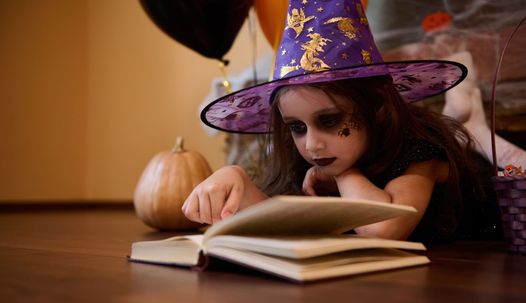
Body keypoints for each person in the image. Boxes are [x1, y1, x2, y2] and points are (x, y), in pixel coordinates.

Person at [183, 0, 502, 243]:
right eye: (297, 127)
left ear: (376, 110)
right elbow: (284, 223)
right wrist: (234, 178)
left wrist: (344, 174)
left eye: (330, 120)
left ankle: (470, 122)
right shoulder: (319, 157)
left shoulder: (421, 152)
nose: (312, 144)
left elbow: (383, 227)